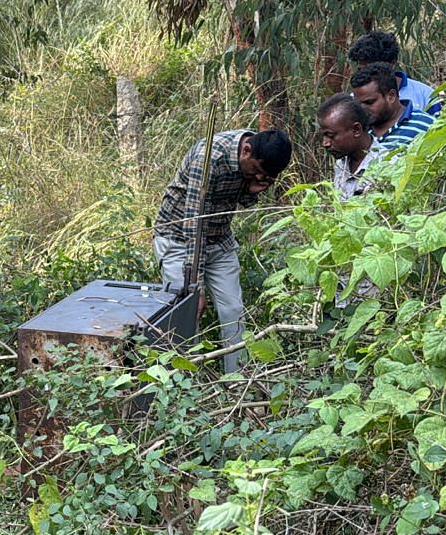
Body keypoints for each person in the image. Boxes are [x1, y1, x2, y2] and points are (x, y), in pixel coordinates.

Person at [154, 127, 292, 374]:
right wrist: (196, 287)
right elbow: (193, 221)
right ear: (246, 150)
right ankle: (185, 389)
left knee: (233, 311)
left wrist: (253, 190)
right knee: (185, 315)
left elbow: (243, 199)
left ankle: (237, 383)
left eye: (267, 177)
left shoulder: (257, 159)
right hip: (179, 239)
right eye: (258, 172)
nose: (260, 178)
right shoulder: (208, 157)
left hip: (219, 240)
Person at [348, 30, 440, 116]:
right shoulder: (354, 100)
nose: (366, 75)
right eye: (361, 70)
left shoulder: (425, 95)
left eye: (373, 70)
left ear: (392, 63)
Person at [350, 62, 436, 151]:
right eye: (358, 104)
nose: (362, 108)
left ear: (391, 96)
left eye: (369, 102)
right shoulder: (357, 131)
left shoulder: (427, 126)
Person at [318, 93, 384, 198]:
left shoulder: (386, 165)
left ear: (356, 130)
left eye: (331, 135)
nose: (325, 143)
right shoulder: (341, 164)